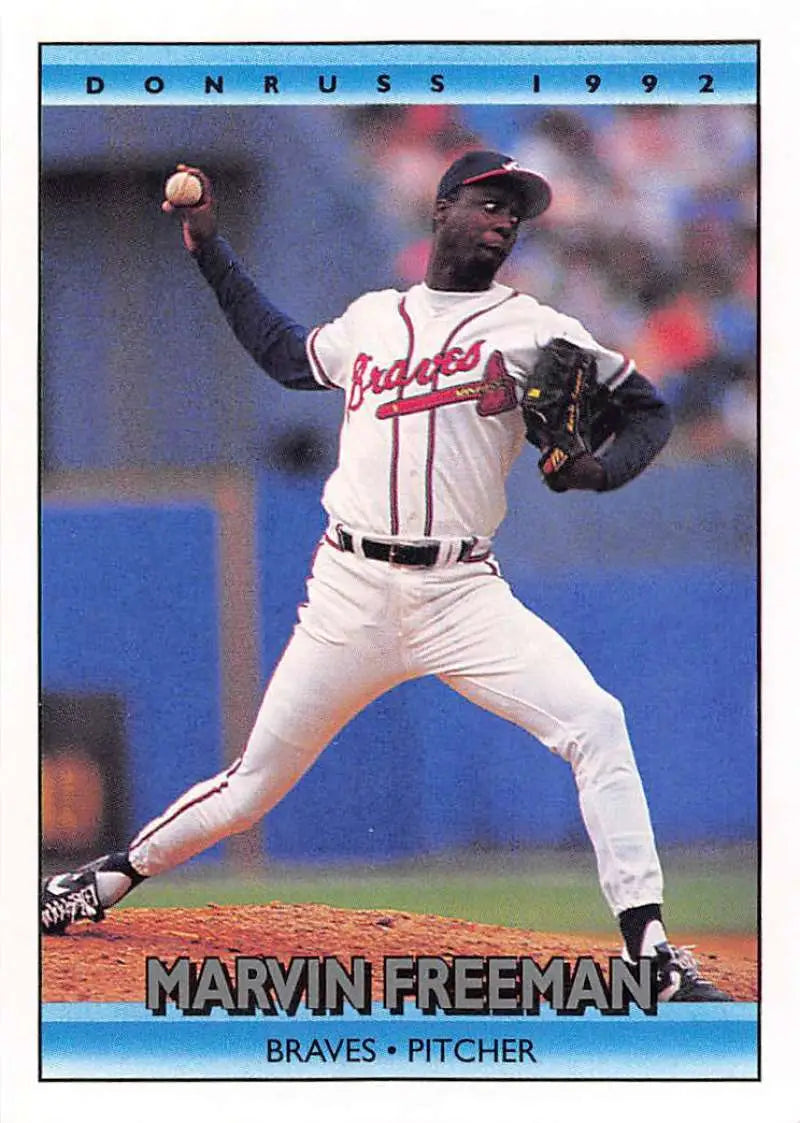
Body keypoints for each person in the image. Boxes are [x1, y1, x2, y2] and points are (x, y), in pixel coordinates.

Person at [41, 150, 732, 1002]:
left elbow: (649, 412)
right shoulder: (373, 317)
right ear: (441, 209)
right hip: (350, 592)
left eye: (516, 211)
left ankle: (650, 946)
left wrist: (596, 471)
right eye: (489, 202)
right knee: (253, 786)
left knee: (597, 720)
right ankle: (106, 878)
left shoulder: (539, 329)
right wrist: (211, 251)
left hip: (463, 594)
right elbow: (286, 354)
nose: (505, 219)